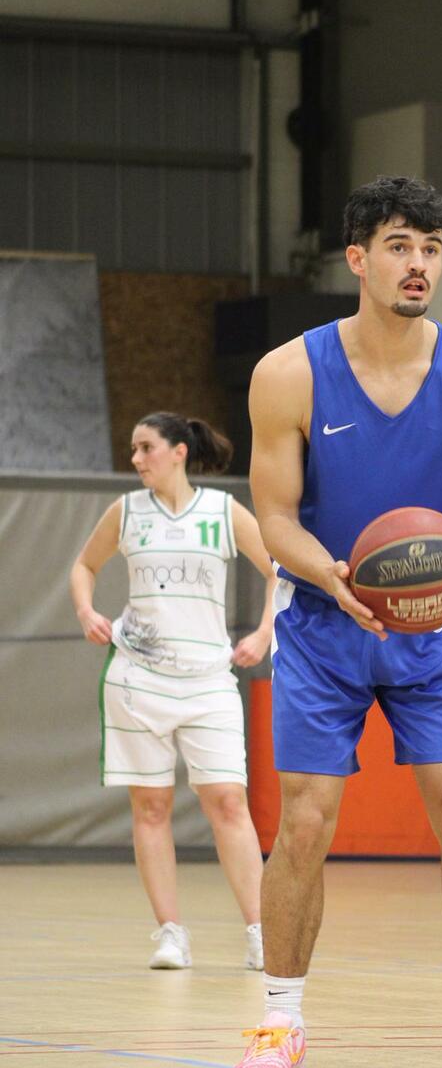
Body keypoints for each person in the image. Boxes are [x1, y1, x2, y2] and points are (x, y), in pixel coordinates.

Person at [234, 174, 442, 1068]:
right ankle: (279, 1026)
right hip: (323, 623)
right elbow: (274, 517)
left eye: (432, 249)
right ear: (357, 259)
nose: (419, 265)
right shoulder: (288, 374)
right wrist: (328, 570)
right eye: (401, 247)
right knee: (305, 822)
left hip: (431, 629)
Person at [70, 412, 274, 971]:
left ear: (179, 451)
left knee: (228, 802)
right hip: (138, 678)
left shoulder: (223, 511)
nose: (136, 459)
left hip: (209, 680)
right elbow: (84, 565)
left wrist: (264, 632)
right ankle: (170, 934)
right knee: (151, 806)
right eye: (134, 449)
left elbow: (278, 570)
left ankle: (261, 931)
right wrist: (86, 610)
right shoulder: (127, 511)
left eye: (146, 447)